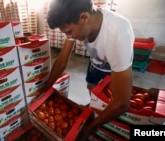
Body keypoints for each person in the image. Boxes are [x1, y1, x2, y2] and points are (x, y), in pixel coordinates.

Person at [44, 0, 134, 138]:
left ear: (84, 18)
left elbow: (122, 103)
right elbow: (62, 61)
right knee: (91, 87)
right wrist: (45, 91)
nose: (69, 37)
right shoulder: (77, 21)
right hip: (96, 62)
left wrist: (89, 128)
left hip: (114, 68)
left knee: (111, 103)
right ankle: (94, 109)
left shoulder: (117, 34)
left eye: (69, 32)